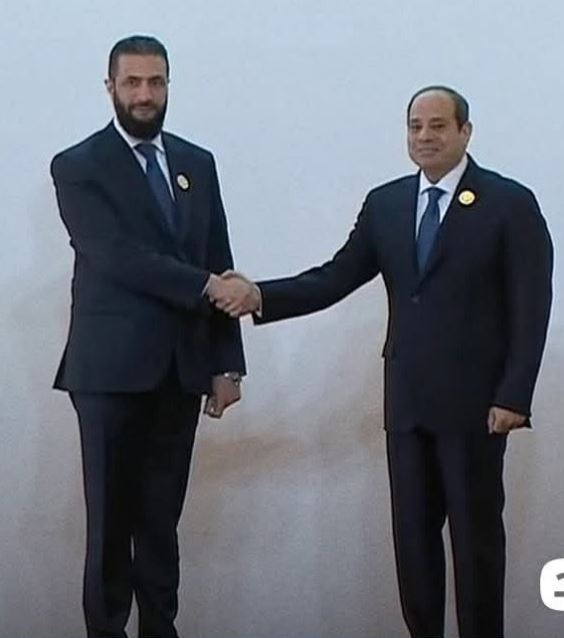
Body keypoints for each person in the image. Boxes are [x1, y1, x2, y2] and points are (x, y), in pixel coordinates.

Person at [208, 86, 553, 638]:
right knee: (413, 544)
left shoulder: (509, 203)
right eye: (415, 126)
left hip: (476, 408)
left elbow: (531, 305)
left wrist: (514, 394)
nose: (424, 136)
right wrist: (260, 296)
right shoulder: (387, 204)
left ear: (465, 132)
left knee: (476, 543)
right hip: (408, 403)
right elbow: (335, 277)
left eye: (438, 126)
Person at [51, 35, 245, 638]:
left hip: (180, 371)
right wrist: (206, 286)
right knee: (110, 526)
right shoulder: (77, 165)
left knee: (161, 525)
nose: (144, 94)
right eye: (132, 82)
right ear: (110, 87)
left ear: (168, 86)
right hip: (109, 374)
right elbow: (115, 256)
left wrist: (227, 363)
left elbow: (218, 256)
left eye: (155, 82)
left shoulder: (196, 163)